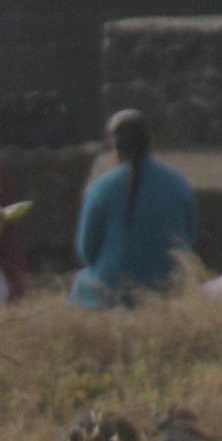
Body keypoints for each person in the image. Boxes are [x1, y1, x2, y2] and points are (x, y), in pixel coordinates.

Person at [70, 109, 200, 306]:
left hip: (109, 295)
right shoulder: (178, 183)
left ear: (113, 145)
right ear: (150, 140)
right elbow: (188, 239)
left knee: (81, 282)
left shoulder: (100, 188)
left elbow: (86, 251)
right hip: (170, 291)